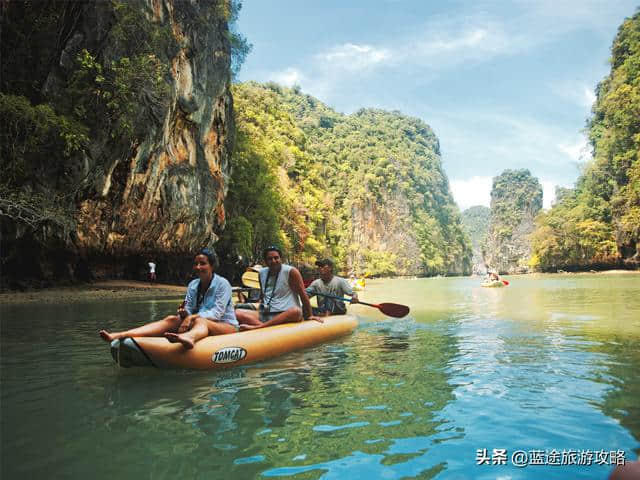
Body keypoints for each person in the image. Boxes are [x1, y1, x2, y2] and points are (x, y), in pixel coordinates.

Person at [99, 248, 238, 349]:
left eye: (203, 263)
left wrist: (191, 317)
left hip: (225, 326)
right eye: (196, 263)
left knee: (201, 321)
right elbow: (189, 308)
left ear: (212, 266)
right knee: (171, 319)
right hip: (198, 323)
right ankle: (121, 334)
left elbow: (216, 313)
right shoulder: (193, 285)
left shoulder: (223, 284)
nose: (198, 267)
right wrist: (185, 313)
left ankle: (189, 338)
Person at [235, 245, 321, 330]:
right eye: (270, 259)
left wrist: (310, 315)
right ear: (265, 261)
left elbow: (303, 294)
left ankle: (259, 327)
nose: (273, 261)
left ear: (281, 259)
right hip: (267, 313)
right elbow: (263, 294)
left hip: (287, 313)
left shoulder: (291, 271)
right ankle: (264, 327)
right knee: (237, 313)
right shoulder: (262, 273)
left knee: (296, 311)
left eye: (276, 258)